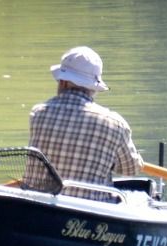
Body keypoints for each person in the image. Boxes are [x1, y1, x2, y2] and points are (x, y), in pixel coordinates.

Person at [24, 46, 143, 201]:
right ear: (93, 86)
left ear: (64, 82)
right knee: (141, 198)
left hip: (40, 206)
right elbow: (131, 169)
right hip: (90, 210)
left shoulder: (38, 113)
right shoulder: (115, 124)